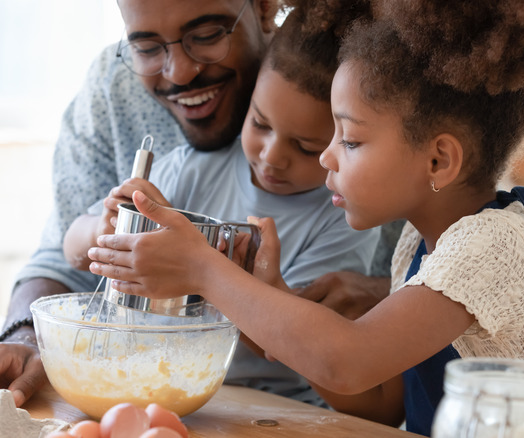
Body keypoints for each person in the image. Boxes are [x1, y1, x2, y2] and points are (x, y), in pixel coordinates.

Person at [87, 0, 524, 435]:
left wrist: (204, 270)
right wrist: (276, 298)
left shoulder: (496, 245)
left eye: (351, 138)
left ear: (439, 160)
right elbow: (381, 401)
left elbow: (349, 360)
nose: (326, 157)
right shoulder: (420, 243)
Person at [0, 0, 391, 409]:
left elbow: (301, 349)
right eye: (259, 124)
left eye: (206, 37)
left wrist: (215, 276)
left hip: (275, 408)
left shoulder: (344, 215)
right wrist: (105, 229)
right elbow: (66, 251)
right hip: (159, 388)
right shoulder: (191, 164)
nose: (272, 157)